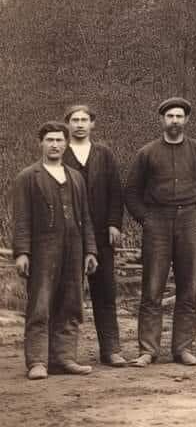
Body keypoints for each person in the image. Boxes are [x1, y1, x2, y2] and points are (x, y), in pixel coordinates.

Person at [124, 97, 196, 367]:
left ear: (186, 120)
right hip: (157, 221)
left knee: (188, 287)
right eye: (169, 116)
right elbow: (131, 192)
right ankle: (148, 350)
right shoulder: (147, 153)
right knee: (152, 288)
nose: (174, 120)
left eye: (179, 116)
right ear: (161, 119)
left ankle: (183, 348)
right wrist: (146, 219)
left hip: (189, 219)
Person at [13, 121, 99, 380]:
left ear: (66, 143)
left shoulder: (75, 178)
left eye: (60, 140)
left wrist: (90, 250)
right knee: (40, 304)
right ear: (41, 143)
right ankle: (37, 362)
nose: (55, 145)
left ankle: (65, 358)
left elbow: (85, 216)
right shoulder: (28, 177)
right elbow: (21, 219)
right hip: (43, 250)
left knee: (71, 302)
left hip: (74, 249)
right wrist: (22, 253)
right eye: (50, 140)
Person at [63, 104, 127, 367]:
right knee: (67, 294)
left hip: (101, 234)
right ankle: (65, 353)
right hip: (69, 235)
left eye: (84, 120)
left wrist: (114, 224)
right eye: (74, 120)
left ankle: (111, 350)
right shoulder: (60, 153)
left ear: (93, 125)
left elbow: (116, 192)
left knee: (105, 292)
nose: (79, 124)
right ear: (67, 125)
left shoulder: (104, 154)